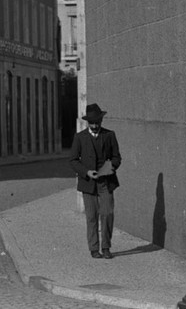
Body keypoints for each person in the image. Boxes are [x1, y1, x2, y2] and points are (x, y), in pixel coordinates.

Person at [69, 102, 122, 259]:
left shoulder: (109, 135)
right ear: (88, 123)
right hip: (88, 183)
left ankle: (106, 247)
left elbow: (117, 157)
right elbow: (72, 160)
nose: (94, 125)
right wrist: (86, 172)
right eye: (91, 123)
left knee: (107, 213)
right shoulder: (79, 138)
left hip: (106, 183)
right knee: (91, 216)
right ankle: (94, 248)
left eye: (97, 122)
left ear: (101, 121)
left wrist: (109, 168)